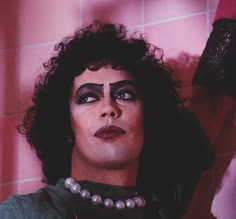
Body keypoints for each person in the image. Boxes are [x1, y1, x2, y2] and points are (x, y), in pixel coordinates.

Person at [0, 10, 220, 219]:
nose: (108, 107)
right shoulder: (25, 213)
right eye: (87, 97)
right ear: (65, 125)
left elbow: (215, 105)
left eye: (124, 94)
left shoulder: (166, 207)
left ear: (147, 118)